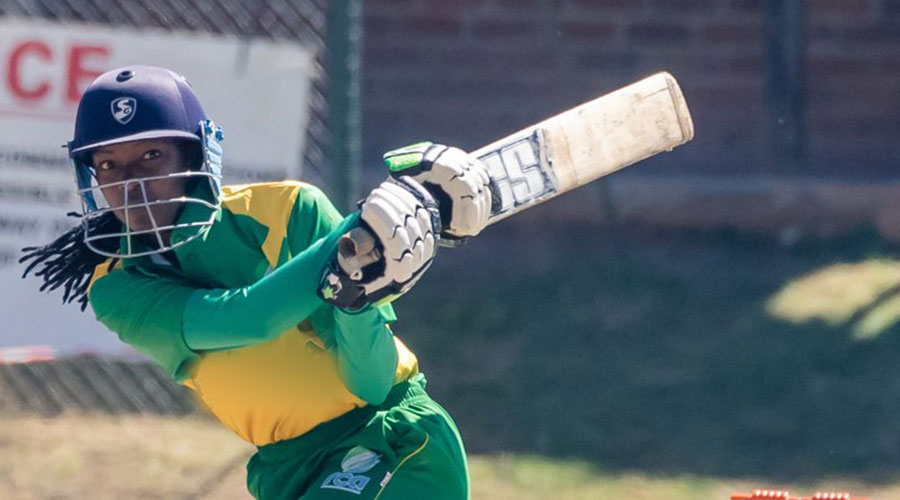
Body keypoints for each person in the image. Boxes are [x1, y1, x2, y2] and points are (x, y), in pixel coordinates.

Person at [20, 65, 493, 500]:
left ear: (196, 154)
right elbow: (248, 319)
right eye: (108, 165)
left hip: (387, 438)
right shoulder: (115, 286)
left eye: (151, 156)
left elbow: (371, 383)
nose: (131, 183)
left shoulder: (289, 210)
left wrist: (354, 299)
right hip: (285, 467)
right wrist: (357, 234)